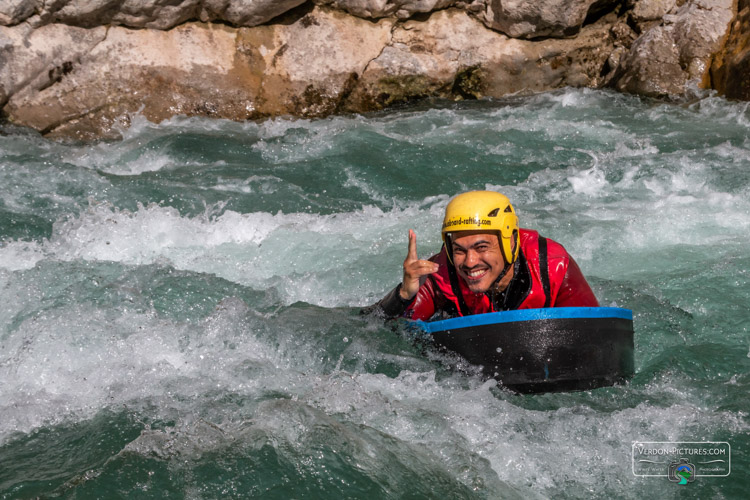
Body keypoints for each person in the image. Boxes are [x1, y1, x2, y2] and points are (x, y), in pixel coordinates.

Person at [374, 191, 599, 321]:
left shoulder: (552, 265)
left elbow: (596, 334)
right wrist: (403, 294)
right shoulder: (439, 273)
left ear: (510, 241)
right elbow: (376, 329)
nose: (470, 262)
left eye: (481, 247)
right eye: (459, 249)